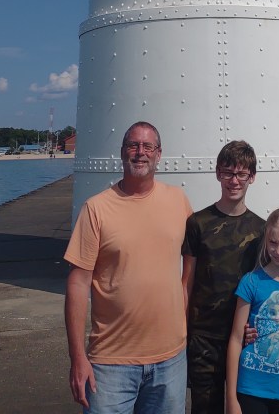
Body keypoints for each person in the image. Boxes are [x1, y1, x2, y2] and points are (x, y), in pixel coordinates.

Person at [63, 121, 193, 413]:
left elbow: (192, 263)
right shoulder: (96, 209)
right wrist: (77, 357)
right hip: (111, 363)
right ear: (122, 152)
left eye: (148, 146)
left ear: (159, 154)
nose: (140, 152)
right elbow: (78, 282)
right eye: (133, 145)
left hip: (170, 360)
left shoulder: (178, 201)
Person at [182, 140, 265, 414]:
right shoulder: (197, 223)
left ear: (251, 177)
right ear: (218, 173)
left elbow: (264, 287)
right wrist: (183, 331)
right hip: (203, 338)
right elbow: (188, 282)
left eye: (242, 174)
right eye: (228, 172)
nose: (234, 180)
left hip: (245, 339)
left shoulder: (262, 230)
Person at [225, 207, 279, 414]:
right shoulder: (251, 282)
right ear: (265, 241)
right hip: (250, 387)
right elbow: (235, 338)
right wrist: (230, 398)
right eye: (273, 243)